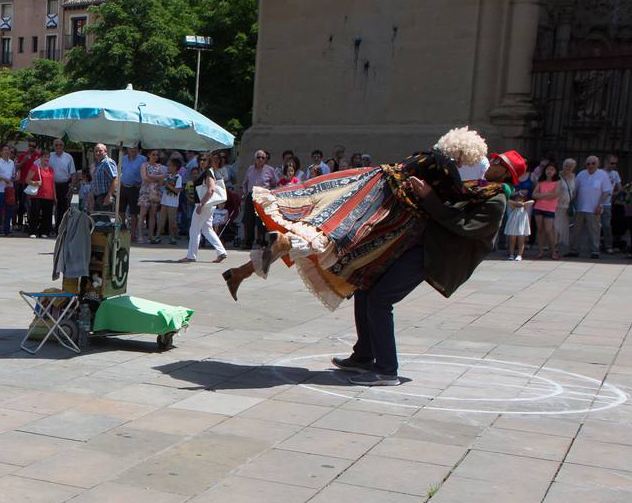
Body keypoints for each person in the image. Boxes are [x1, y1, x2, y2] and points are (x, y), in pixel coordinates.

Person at [229, 130, 519, 386]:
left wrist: (429, 196)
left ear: (506, 174)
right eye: (492, 160)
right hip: (414, 244)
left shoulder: (494, 201)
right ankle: (365, 355)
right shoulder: (476, 191)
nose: (491, 164)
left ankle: (386, 369)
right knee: (365, 290)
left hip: (432, 255)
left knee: (380, 299)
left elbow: (457, 223)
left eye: (498, 163)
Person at [183, 150, 230, 264]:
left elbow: (211, 189)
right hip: (208, 205)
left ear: (209, 160)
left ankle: (191, 255)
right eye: (200, 160)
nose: (202, 162)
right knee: (207, 229)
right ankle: (221, 251)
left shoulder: (209, 172)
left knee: (194, 229)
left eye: (205, 159)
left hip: (204, 205)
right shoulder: (211, 171)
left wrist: (201, 204)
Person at [568, 155, 610, 258]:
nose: (590, 166)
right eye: (588, 164)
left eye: (593, 163)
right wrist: (570, 203)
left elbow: (606, 192)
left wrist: (600, 205)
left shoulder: (603, 175)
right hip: (580, 207)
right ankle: (574, 250)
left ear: (598, 164)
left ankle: (595, 251)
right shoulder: (581, 174)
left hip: (594, 208)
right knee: (576, 231)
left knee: (594, 230)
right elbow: (575, 190)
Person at [239, 149, 280, 250]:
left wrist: (270, 193)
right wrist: (245, 192)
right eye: (259, 157)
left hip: (263, 196)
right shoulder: (250, 169)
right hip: (251, 195)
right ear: (255, 158)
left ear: (266, 159)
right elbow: (245, 182)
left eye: (263, 158)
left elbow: (276, 183)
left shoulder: (270, 169)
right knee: (249, 219)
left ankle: (261, 241)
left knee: (261, 220)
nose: (261, 159)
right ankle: (248, 241)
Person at [531, 161, 561, 260]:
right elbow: (534, 195)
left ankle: (553, 252)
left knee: (549, 230)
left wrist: (542, 195)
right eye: (548, 169)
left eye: (552, 169)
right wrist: (547, 195)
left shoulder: (557, 182)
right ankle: (540, 251)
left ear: (556, 171)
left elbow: (555, 195)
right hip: (538, 208)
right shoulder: (541, 182)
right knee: (540, 230)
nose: (549, 171)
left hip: (550, 209)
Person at [25, 151, 57, 239]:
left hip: (49, 195)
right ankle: (33, 231)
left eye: (48, 157)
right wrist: (35, 183)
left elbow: (53, 183)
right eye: (45, 157)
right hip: (37, 195)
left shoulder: (51, 169)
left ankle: (44, 232)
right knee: (35, 213)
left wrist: (55, 196)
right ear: (41, 158)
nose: (47, 159)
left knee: (47, 214)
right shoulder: (35, 167)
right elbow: (27, 180)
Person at [137, 152, 168, 243]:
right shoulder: (144, 165)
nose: (155, 156)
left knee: (153, 214)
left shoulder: (160, 167)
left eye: (157, 155)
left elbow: (162, 181)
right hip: (145, 191)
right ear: (149, 155)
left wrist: (151, 176)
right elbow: (144, 178)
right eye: (153, 154)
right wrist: (158, 177)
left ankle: (151, 235)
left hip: (155, 192)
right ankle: (140, 235)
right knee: (142, 214)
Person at [117, 144, 146, 225]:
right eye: (131, 147)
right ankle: (122, 228)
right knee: (121, 210)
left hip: (135, 188)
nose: (133, 149)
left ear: (138, 149)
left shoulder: (143, 159)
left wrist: (141, 184)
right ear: (127, 149)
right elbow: (119, 171)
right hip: (123, 187)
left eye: (135, 148)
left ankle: (133, 234)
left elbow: (146, 173)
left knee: (134, 212)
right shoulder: (123, 158)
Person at [158, 153, 184, 245]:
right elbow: (160, 184)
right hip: (164, 201)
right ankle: (158, 236)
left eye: (170, 165)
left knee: (172, 221)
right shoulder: (167, 176)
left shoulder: (178, 177)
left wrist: (167, 184)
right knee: (161, 219)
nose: (168, 167)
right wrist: (162, 178)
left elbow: (177, 190)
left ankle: (172, 236)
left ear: (175, 167)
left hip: (173, 203)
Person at [86, 143, 118, 213]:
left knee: (104, 221)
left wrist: (109, 196)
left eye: (100, 151)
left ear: (105, 152)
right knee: (98, 220)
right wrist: (91, 194)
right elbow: (94, 181)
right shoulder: (97, 164)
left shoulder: (107, 162)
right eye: (96, 151)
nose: (98, 153)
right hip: (97, 197)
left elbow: (115, 179)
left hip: (105, 196)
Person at [48, 139, 76, 216]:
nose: (58, 146)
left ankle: (60, 227)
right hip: (51, 185)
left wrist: (71, 187)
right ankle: (49, 227)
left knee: (62, 208)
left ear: (63, 146)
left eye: (60, 145)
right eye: (56, 145)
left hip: (64, 186)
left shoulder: (68, 157)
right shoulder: (49, 156)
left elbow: (73, 173)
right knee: (49, 206)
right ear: (53, 146)